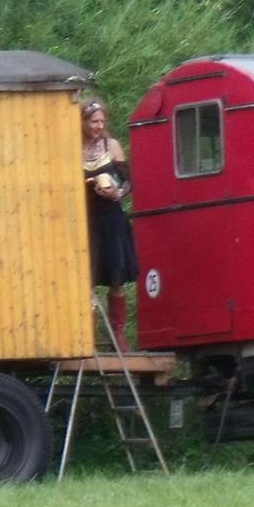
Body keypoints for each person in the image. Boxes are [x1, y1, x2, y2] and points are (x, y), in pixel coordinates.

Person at [81, 98, 138, 346]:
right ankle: (88, 337)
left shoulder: (111, 145)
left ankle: (119, 336)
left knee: (116, 276)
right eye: (94, 121)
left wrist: (118, 193)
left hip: (111, 217)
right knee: (87, 278)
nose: (99, 126)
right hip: (85, 219)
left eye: (102, 121)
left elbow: (128, 181)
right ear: (82, 122)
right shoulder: (73, 147)